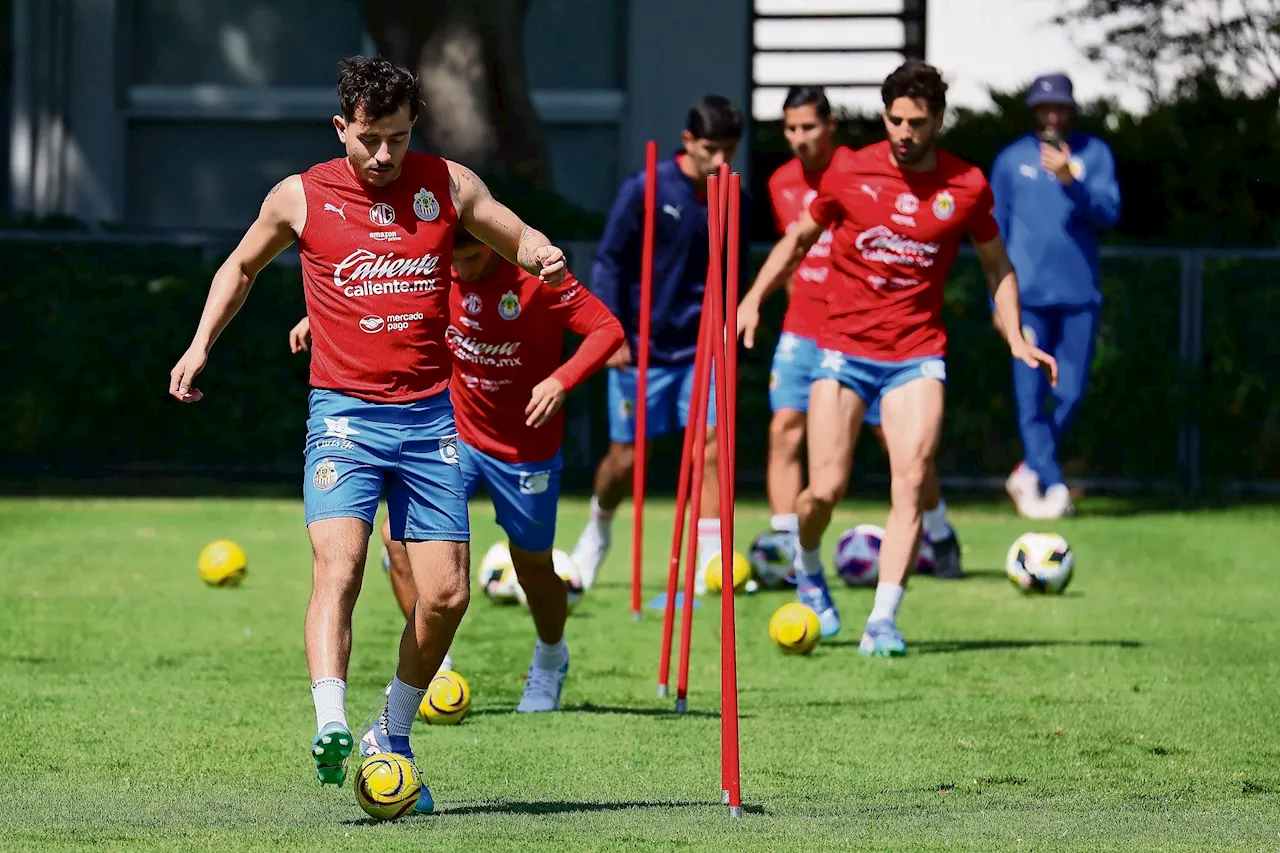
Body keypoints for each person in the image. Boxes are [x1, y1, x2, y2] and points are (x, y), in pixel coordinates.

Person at [169, 56, 567, 812]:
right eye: (369, 139)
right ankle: (331, 722)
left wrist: (542, 254)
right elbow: (242, 266)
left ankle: (391, 726)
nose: (383, 155)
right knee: (340, 567)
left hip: (428, 417)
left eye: (397, 138)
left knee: (448, 594)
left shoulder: (447, 184)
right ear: (341, 127)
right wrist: (200, 345)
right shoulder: (300, 195)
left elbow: (513, 231)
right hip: (344, 416)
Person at [739, 61, 1056, 655]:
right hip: (842, 349)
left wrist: (1015, 335)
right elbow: (798, 239)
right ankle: (808, 567)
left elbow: (997, 266)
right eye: (895, 120)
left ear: (938, 120)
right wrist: (754, 298)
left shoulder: (967, 185)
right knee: (824, 491)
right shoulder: (848, 171)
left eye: (917, 121)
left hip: (917, 354)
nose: (904, 132)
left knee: (910, 480)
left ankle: (883, 620)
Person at [289, 228, 623, 711]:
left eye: (473, 257)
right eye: (455, 259)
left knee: (532, 565)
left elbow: (608, 329)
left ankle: (551, 658)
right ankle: (434, 667)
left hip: (525, 447)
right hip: (455, 437)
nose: (462, 271)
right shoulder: (432, 268)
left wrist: (561, 380)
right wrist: (317, 319)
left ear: (492, 241)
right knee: (394, 540)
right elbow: (376, 302)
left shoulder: (537, 276)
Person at [743, 85, 962, 579]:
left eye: (809, 127)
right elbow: (795, 247)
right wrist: (755, 298)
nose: (800, 138)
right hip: (802, 326)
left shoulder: (858, 168)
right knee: (784, 429)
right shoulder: (779, 182)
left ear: (830, 126)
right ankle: (788, 548)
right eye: (790, 129)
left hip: (864, 330)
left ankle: (940, 530)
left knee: (897, 443)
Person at [569, 95, 746, 593]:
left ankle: (711, 561)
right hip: (640, 345)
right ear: (688, 142)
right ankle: (598, 530)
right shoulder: (646, 187)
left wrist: (729, 322)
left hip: (700, 347)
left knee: (710, 450)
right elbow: (608, 261)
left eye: (731, 149)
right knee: (625, 460)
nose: (722, 160)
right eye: (712, 148)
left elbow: (735, 272)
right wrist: (610, 331)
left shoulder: (732, 194)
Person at [992, 73, 1120, 519]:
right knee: (1030, 395)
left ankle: (1029, 470)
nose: (1052, 115)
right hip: (1025, 298)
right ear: (1033, 111)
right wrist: (998, 301)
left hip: (1078, 295)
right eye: (1045, 107)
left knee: (1071, 393)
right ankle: (1054, 485)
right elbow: (995, 234)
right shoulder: (1010, 161)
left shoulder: (1095, 155)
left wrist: (1073, 182)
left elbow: (1109, 214)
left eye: (1060, 107)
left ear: (1071, 110)